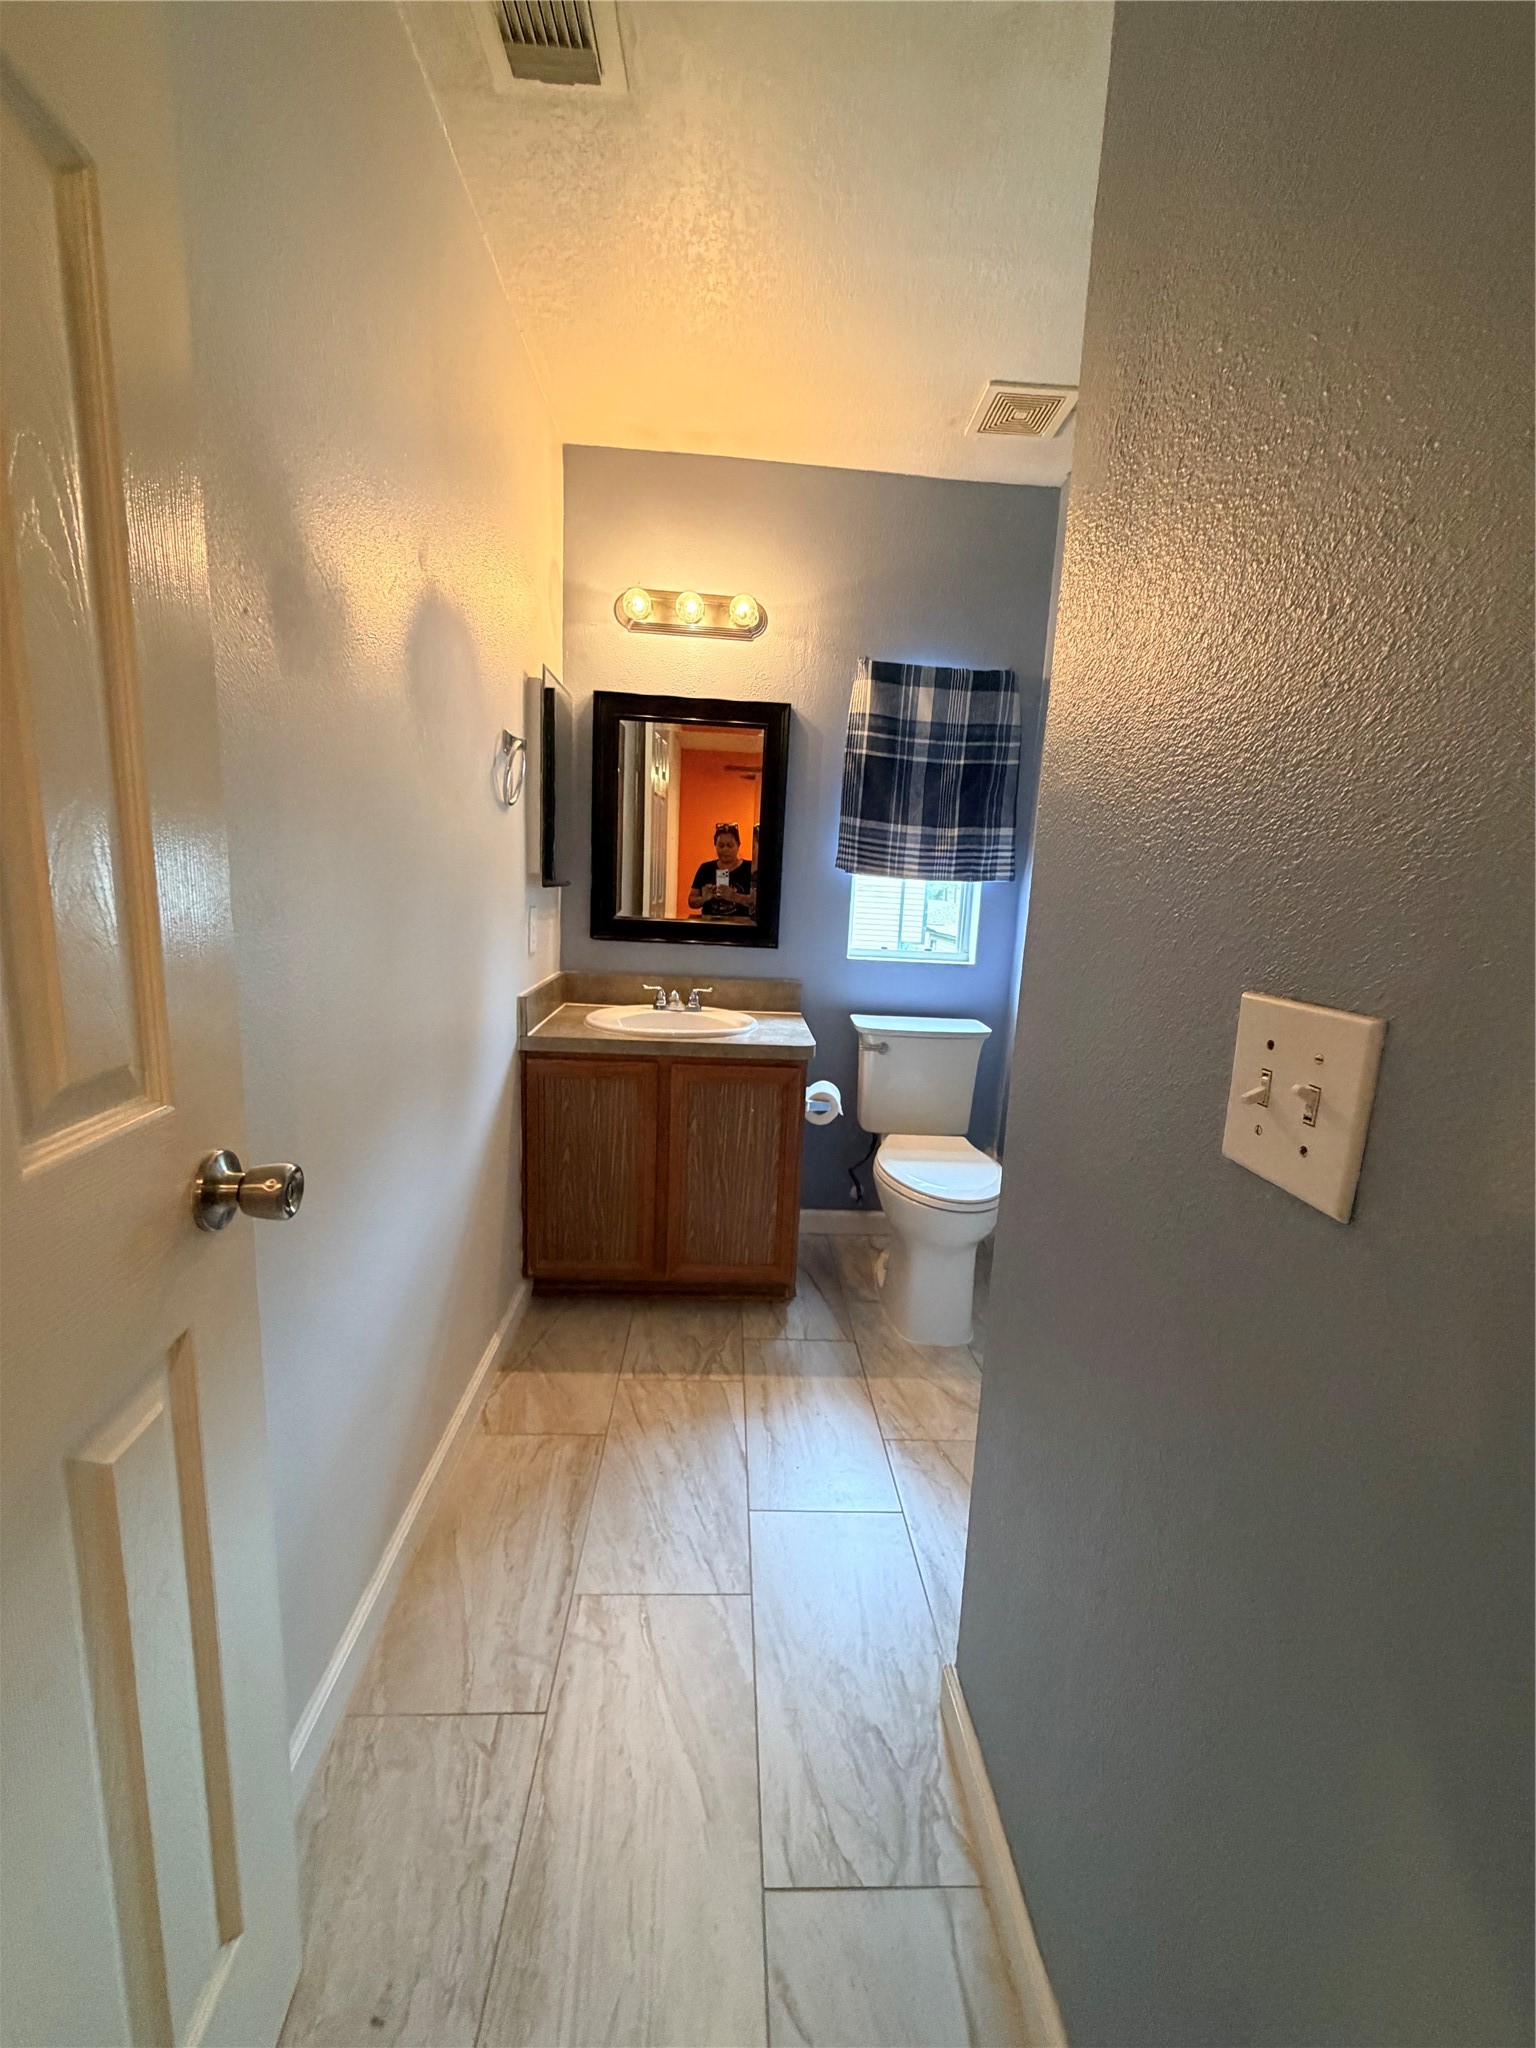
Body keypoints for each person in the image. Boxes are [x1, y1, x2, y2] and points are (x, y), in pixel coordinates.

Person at [688, 822, 755, 919]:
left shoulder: (750, 868)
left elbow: (759, 903)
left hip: (741, 928)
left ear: (738, 845)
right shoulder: (705, 868)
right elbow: (691, 901)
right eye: (721, 845)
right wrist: (703, 898)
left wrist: (735, 896)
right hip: (711, 927)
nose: (725, 850)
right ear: (715, 846)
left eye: (730, 845)